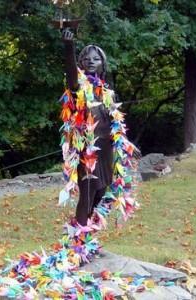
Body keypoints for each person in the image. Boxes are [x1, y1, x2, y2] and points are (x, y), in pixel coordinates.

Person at [60, 28, 140, 226]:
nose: (91, 61)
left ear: (103, 63)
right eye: (86, 59)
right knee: (87, 195)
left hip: (106, 151)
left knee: (101, 192)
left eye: (96, 59)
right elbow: (71, 74)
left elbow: (115, 124)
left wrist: (127, 145)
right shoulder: (78, 88)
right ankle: (77, 241)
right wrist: (69, 47)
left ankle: (87, 233)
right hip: (87, 151)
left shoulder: (107, 93)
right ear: (80, 64)